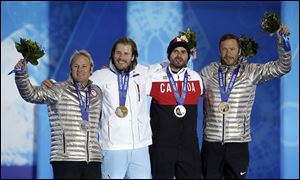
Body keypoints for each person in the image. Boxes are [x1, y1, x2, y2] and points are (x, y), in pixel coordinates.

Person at [199, 24, 291, 179]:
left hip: (238, 145)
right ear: (219, 51)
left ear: (239, 51)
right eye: (224, 49)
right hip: (211, 144)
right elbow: (189, 87)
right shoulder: (208, 71)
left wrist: (283, 45)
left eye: (232, 49)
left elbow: (283, 67)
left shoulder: (250, 71)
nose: (228, 54)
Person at [14, 50, 103, 179]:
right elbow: (31, 94)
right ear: (70, 69)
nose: (80, 70)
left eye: (84, 66)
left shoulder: (97, 93)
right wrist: (21, 75)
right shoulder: (58, 89)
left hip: (93, 160)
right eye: (76, 66)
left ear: (91, 69)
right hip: (66, 159)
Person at [148, 36, 204, 179]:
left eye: (183, 52)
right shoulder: (153, 76)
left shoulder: (196, 77)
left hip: (188, 145)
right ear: (169, 55)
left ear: (188, 56)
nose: (179, 55)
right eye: (175, 51)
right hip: (162, 145)